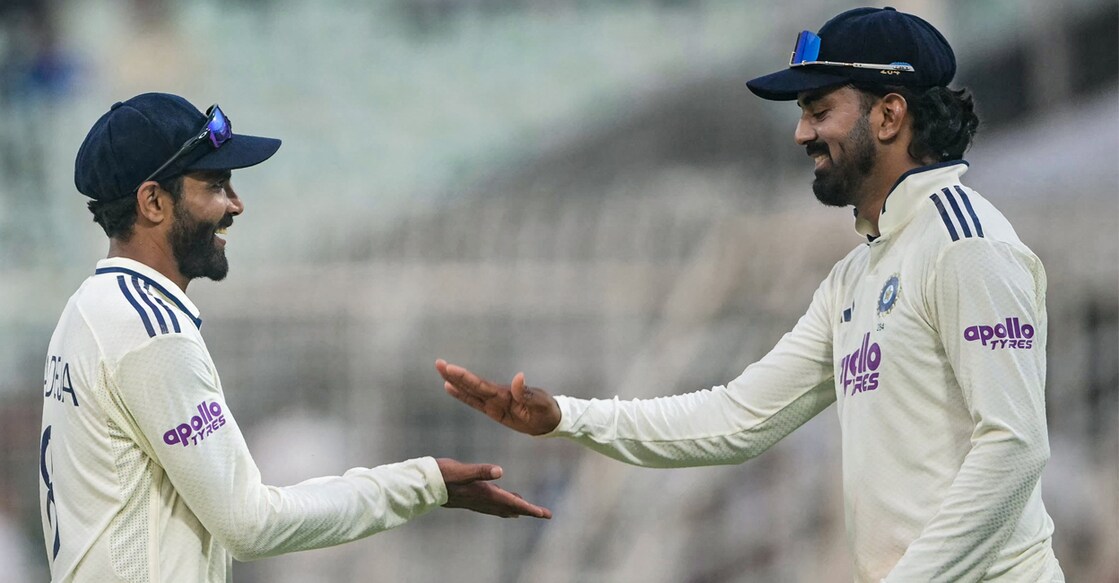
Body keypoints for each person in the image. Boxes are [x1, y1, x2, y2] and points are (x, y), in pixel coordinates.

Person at [436, 7, 1064, 582]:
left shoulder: (966, 245)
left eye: (819, 111)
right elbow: (739, 418)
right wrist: (568, 418)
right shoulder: (856, 275)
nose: (801, 134)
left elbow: (1014, 447)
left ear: (889, 114)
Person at [39, 92, 551, 583]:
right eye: (216, 186)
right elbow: (249, 524)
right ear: (153, 201)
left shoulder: (85, 312)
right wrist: (422, 484)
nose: (236, 205)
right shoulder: (150, 332)